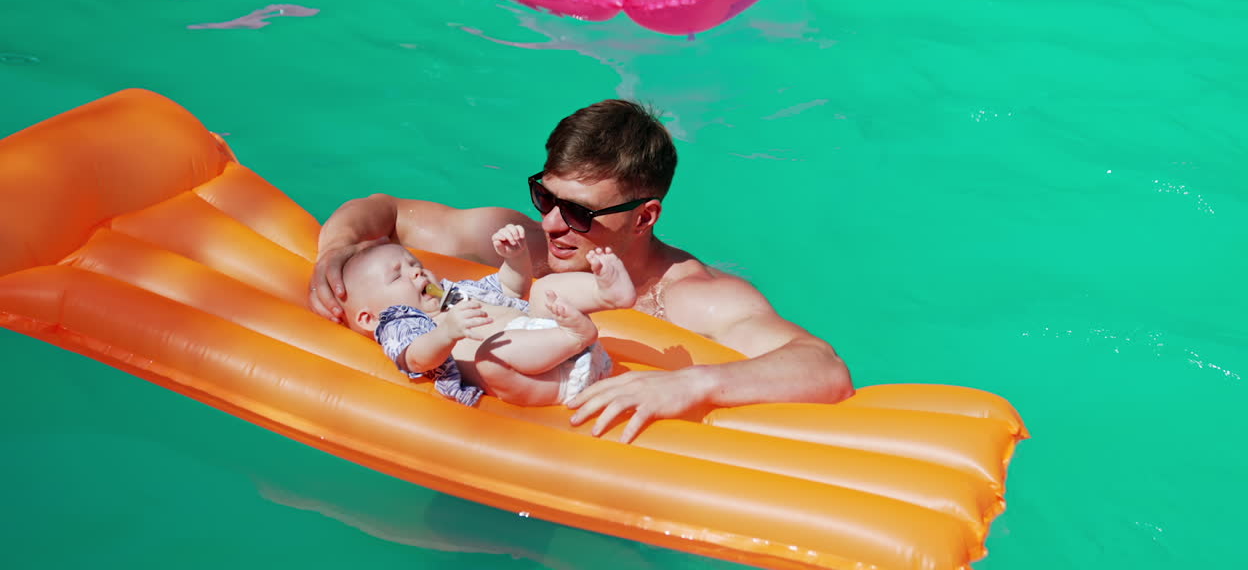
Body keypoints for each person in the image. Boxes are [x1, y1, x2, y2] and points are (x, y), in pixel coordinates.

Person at [311, 99, 854, 442]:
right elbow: (386, 211)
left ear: (644, 217)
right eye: (545, 195)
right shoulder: (530, 246)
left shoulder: (689, 298)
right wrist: (335, 250)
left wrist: (692, 384)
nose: (550, 223)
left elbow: (824, 368)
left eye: (578, 213)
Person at [339, 224, 635, 406]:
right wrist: (446, 333)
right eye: (397, 276)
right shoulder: (402, 321)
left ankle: (607, 293)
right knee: (489, 356)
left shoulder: (450, 295)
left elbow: (510, 287)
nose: (416, 271)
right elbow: (416, 358)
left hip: (561, 346)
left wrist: (515, 257)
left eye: (413, 263)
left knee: (543, 288)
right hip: (556, 379)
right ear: (369, 318)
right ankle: (573, 336)